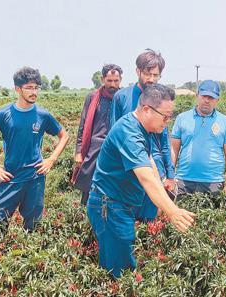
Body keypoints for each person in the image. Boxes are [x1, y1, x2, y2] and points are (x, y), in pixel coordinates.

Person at [87, 84, 195, 278]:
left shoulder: (142, 128)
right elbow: (145, 177)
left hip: (120, 205)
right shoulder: (129, 132)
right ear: (146, 110)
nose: (167, 122)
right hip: (109, 207)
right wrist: (173, 211)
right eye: (165, 116)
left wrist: (162, 191)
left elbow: (150, 162)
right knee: (120, 272)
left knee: (120, 262)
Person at [0, 67, 69, 230]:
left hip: (35, 178)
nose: (34, 92)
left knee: (33, 226)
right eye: (29, 87)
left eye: (37, 87)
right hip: (10, 176)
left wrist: (51, 159)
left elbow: (64, 136)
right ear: (17, 89)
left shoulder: (43, 115)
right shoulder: (3, 114)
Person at [110, 49, 175, 220]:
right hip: (129, 166)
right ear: (138, 71)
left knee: (152, 217)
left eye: (156, 75)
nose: (151, 79)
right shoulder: (122, 97)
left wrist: (170, 174)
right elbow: (114, 134)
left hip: (155, 166)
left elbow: (164, 142)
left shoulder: (161, 98)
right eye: (148, 73)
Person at [171, 80, 226, 197]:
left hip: (213, 181)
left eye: (211, 98)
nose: (207, 100)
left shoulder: (225, 121)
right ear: (197, 96)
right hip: (183, 180)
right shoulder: (182, 118)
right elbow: (173, 149)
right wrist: (170, 176)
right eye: (204, 96)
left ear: (217, 100)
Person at [72, 64, 123, 205]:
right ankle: (85, 215)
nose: (113, 84)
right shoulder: (93, 97)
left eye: (116, 81)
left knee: (114, 187)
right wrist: (78, 152)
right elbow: (83, 126)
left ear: (121, 80)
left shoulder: (123, 97)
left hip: (116, 148)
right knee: (88, 186)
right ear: (102, 79)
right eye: (109, 81)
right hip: (94, 147)